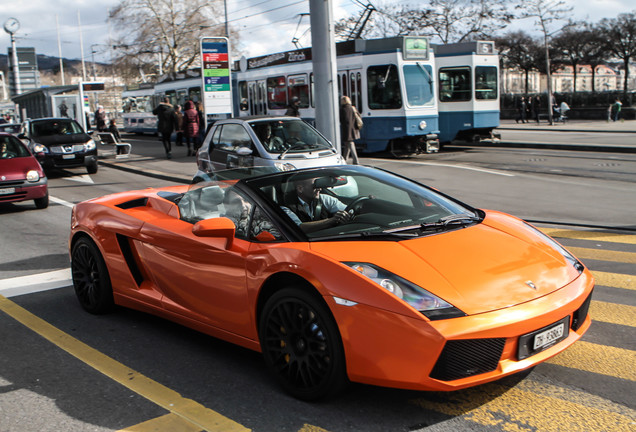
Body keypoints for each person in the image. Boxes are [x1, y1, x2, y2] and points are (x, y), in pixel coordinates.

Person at [281, 177, 352, 233]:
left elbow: (349, 210)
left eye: (320, 185)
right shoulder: (286, 207)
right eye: (315, 186)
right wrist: (332, 220)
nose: (319, 189)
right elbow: (299, 227)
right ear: (300, 189)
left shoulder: (325, 199)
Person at [339, 95, 360, 164]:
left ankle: (355, 160)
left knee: (350, 143)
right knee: (347, 144)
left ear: (343, 101)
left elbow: (344, 120)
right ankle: (344, 159)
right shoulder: (352, 108)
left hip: (347, 130)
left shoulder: (343, 109)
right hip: (353, 129)